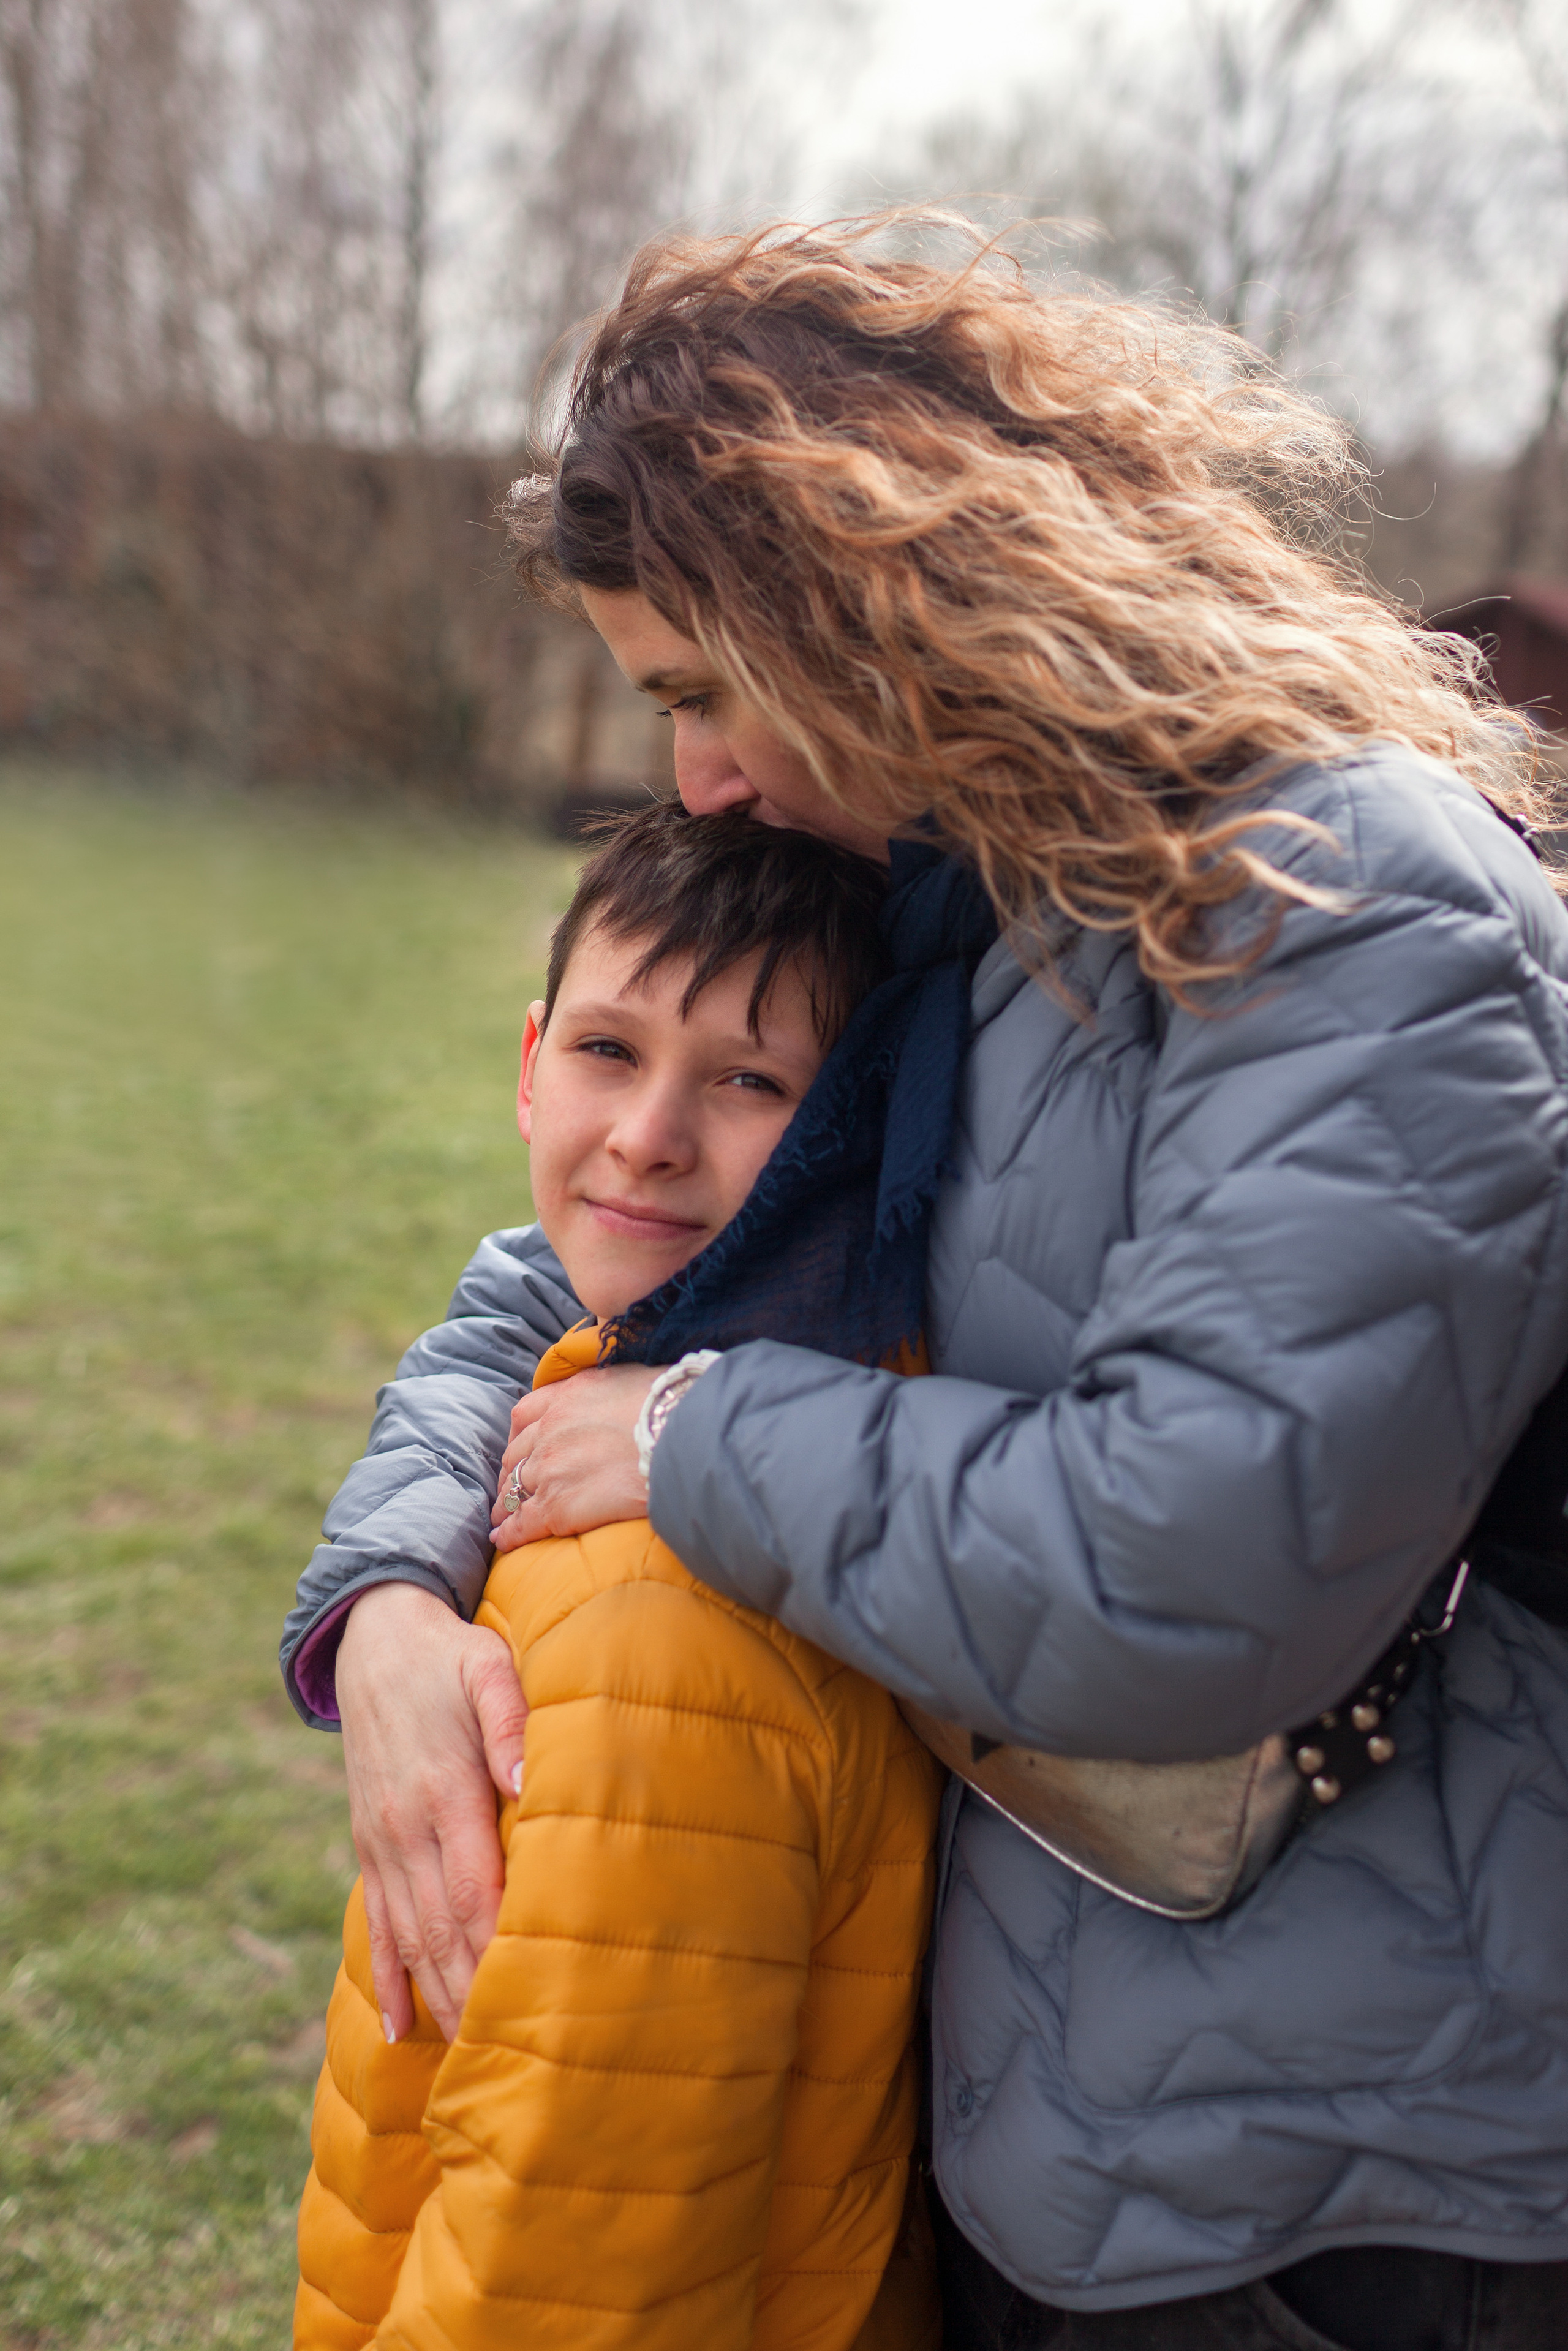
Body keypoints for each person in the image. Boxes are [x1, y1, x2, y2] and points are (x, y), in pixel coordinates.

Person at [284, 219, 1568, 2350]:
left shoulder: (1353, 908)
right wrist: (399, 1590)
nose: (691, 774)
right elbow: (579, 1282)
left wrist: (697, 1435)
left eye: (701, 686)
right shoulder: (990, 901)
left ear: (871, 597)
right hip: (1058, 2106)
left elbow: (1197, 1565)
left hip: (1345, 2182)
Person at [293, 801, 943, 2351]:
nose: (649, 1133)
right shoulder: (591, 1351)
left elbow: (560, 2265)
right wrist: (384, 1594)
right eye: (605, 1050)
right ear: (527, 1060)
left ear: (851, 1137)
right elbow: (492, 1320)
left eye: (747, 1080)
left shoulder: (658, 1613)